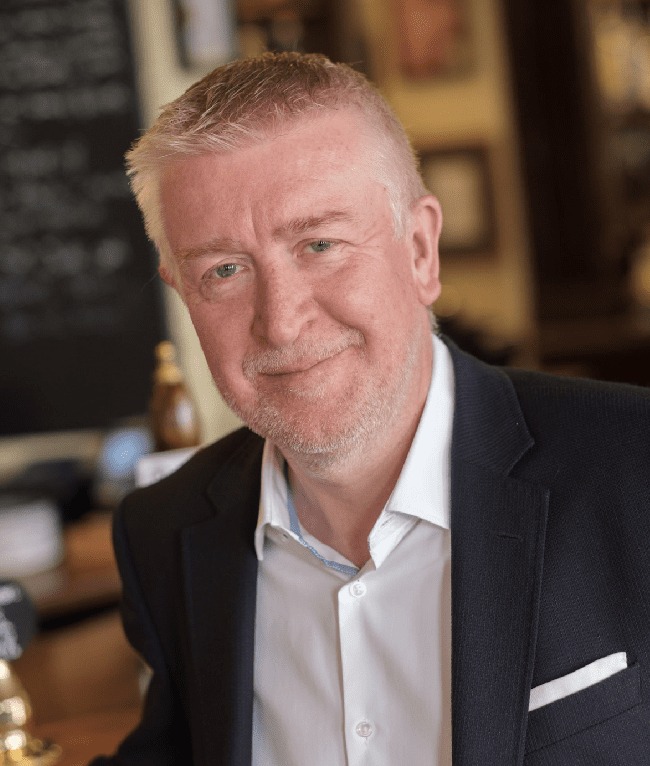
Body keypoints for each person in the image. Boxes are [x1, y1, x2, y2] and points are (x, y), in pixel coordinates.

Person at [90, 52, 650, 766]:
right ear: (180, 290)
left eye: (320, 244)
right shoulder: (163, 534)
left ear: (420, 250)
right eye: (224, 271)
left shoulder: (635, 469)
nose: (282, 322)